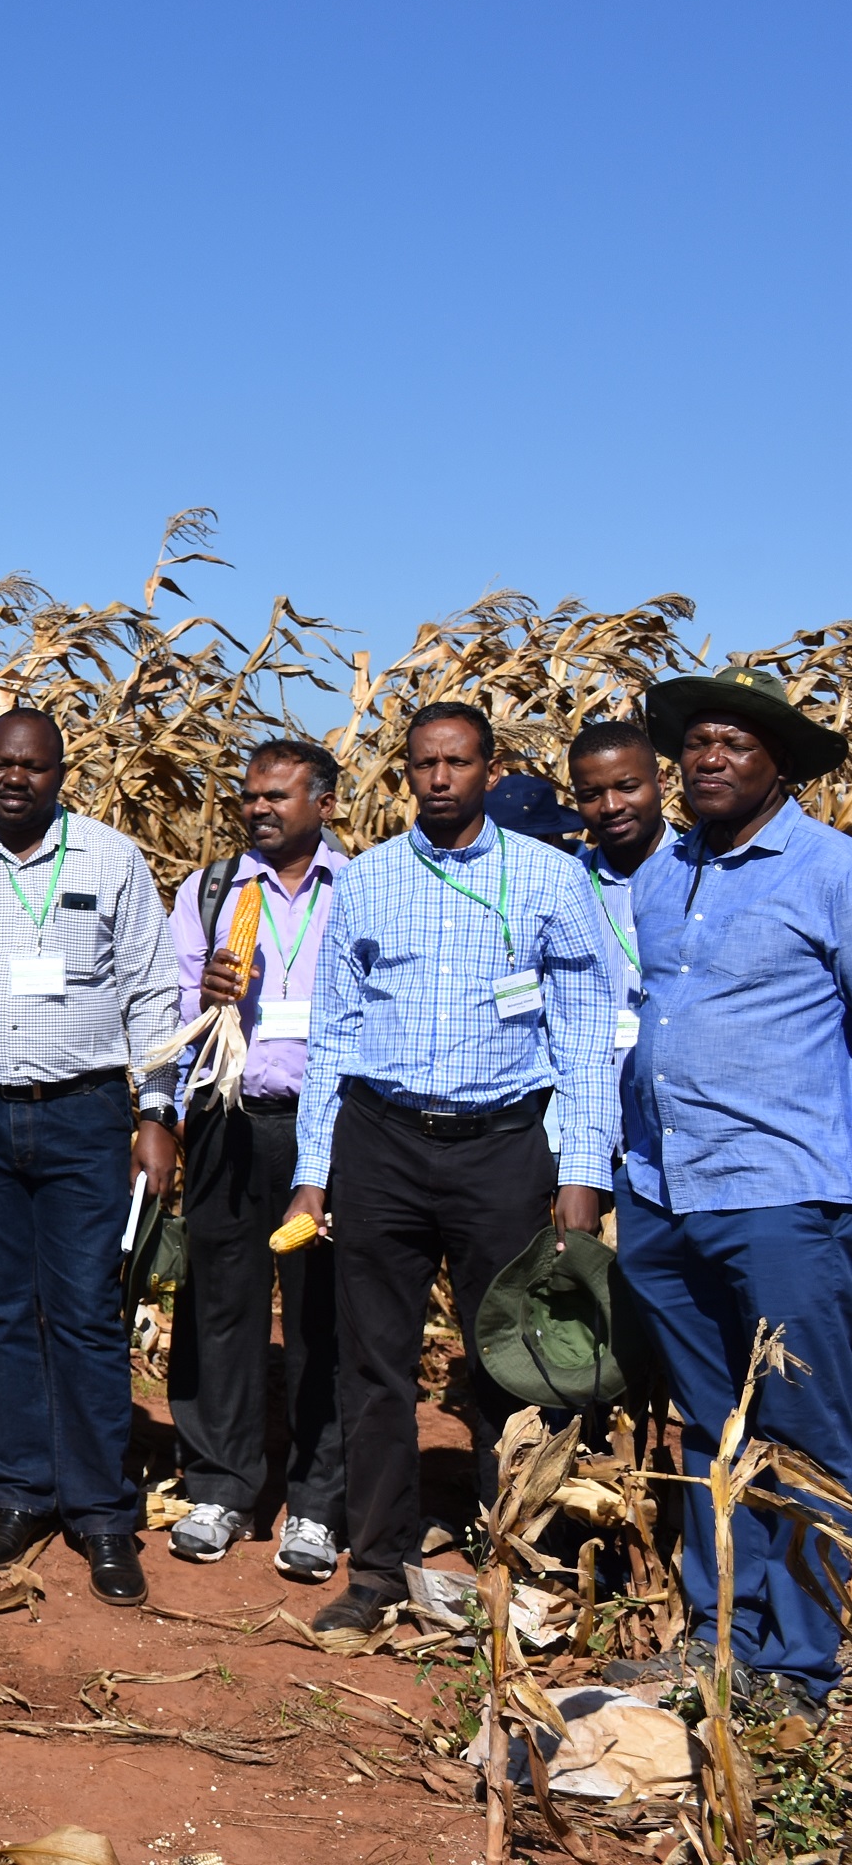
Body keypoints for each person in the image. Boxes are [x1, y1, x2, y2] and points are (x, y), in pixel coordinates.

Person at [286, 701, 615, 1634]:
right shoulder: (371, 879)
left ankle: (519, 1558)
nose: (439, 779)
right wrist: (317, 1170)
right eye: (423, 763)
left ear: (486, 767)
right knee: (373, 1363)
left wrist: (579, 1173)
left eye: (457, 763)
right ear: (406, 773)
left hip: (504, 1148)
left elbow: (585, 1035)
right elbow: (334, 1036)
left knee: (514, 1364)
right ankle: (380, 1567)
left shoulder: (549, 879)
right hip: (380, 1140)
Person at [609, 666, 852, 1718]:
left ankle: (801, 1666)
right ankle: (721, 1643)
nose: (706, 758)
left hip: (783, 1193)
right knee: (716, 1429)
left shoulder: (831, 869)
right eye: (695, 743)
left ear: (781, 766)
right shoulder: (669, 874)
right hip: (665, 1188)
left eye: (734, 744)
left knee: (799, 1434)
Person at [0, 707, 178, 1606]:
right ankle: (22, 1494)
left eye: (36, 766)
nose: (16, 779)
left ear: (62, 773)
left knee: (88, 1312)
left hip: (83, 1113)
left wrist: (158, 1113)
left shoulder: (111, 859)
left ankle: (103, 1511)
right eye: (2, 765)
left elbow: (152, 991)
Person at [161, 738, 351, 1581]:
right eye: (249, 797)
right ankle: (220, 1486)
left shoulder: (364, 892)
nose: (260, 809)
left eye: (278, 795)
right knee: (221, 1308)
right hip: (228, 1117)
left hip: (330, 1127)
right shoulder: (207, 892)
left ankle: (316, 1503)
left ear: (327, 803)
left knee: (324, 1321)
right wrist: (163, 1113)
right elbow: (169, 1004)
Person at [565, 717, 667, 1113]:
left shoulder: (710, 875)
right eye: (591, 794)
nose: (610, 807)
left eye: (627, 787)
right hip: (596, 1127)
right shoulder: (565, 889)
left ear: (661, 783)